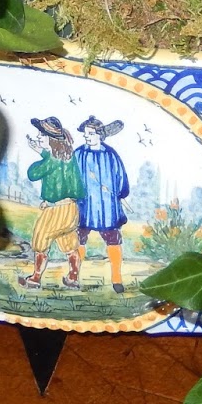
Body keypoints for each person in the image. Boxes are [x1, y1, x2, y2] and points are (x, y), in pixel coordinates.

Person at [18, 118, 84, 290]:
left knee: (40, 241)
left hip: (54, 211)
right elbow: (55, 160)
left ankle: (35, 278)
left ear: (51, 139)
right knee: (69, 242)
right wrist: (42, 151)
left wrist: (40, 153)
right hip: (70, 209)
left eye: (42, 134)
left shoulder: (51, 160)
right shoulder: (68, 156)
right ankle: (73, 277)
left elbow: (33, 173)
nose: (38, 137)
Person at [74, 116, 130, 294]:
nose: (86, 137)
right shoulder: (79, 153)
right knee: (79, 239)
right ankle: (74, 275)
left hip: (107, 207)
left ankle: (117, 279)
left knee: (113, 239)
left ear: (99, 135)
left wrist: (120, 194)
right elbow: (70, 176)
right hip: (84, 206)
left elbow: (120, 176)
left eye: (90, 134)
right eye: (85, 134)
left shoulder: (111, 155)